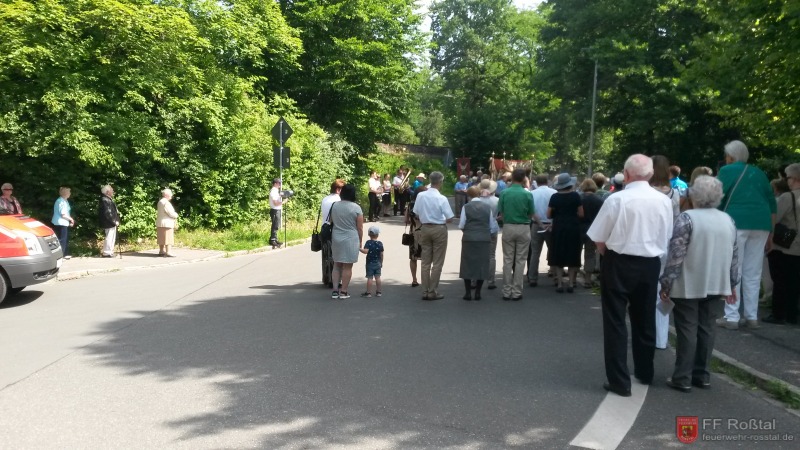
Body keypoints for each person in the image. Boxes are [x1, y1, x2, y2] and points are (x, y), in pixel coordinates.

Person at [587, 154, 674, 397]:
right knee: (645, 318)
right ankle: (645, 372)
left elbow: (599, 237)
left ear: (626, 174)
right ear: (650, 174)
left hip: (618, 261)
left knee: (615, 321)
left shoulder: (617, 199)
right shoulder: (663, 201)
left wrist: (608, 254)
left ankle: (619, 381)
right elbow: (667, 235)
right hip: (650, 263)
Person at [659, 175, 740, 392]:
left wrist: (666, 282)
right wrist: (732, 283)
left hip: (689, 282)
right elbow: (734, 254)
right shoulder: (728, 220)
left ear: (694, 195)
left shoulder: (686, 219)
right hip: (717, 281)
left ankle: (682, 376)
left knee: (687, 329)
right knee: (707, 328)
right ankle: (702, 375)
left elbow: (676, 255)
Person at [716, 140, 776, 330]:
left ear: (730, 157)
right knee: (753, 271)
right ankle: (751, 316)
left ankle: (732, 316)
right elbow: (771, 203)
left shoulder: (726, 171)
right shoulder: (759, 173)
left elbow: (718, 197)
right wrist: (771, 232)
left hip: (736, 222)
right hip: (761, 223)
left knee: (734, 269)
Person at [763, 163, 800, 324]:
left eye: (788, 177)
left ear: (795, 178)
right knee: (795, 282)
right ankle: (793, 314)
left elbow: (774, 217)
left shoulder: (787, 197)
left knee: (780, 281)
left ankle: (778, 314)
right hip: (798, 247)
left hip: (784, 245)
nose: (786, 180)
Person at [652, 155, 682, 349]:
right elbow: (677, 220)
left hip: (648, 243)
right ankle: (661, 338)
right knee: (662, 290)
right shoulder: (674, 193)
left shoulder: (646, 192)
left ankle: (646, 332)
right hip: (667, 243)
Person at [413, 171, 454, 300]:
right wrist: (440, 219)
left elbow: (416, 213)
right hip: (439, 228)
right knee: (437, 262)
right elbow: (450, 218)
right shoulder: (441, 198)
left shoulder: (421, 196)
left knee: (425, 261)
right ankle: (432, 291)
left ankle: (425, 290)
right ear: (440, 182)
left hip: (425, 227)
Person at [498, 168, 534, 301]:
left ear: (512, 178)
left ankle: (506, 290)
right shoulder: (527, 194)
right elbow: (531, 213)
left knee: (508, 259)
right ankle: (517, 291)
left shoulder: (504, 193)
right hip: (523, 227)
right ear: (524, 178)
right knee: (520, 260)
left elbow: (501, 212)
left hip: (508, 226)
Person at [459, 186, 498, 300]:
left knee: (467, 264)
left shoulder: (466, 207)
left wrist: (468, 231)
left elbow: (462, 224)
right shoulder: (487, 207)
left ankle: (468, 292)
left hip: (469, 238)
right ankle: (478, 293)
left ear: (469, 195)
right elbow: (491, 225)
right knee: (482, 264)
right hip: (484, 238)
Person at [547, 173, 584, 293]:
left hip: (559, 227)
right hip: (573, 227)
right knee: (572, 253)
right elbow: (581, 213)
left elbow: (548, 214)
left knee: (559, 253)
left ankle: (559, 283)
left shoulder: (554, 197)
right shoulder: (575, 196)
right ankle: (571, 283)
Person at [330, 184, 363, 299]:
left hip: (336, 237)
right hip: (351, 238)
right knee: (348, 266)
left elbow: (331, 221)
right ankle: (343, 292)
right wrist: (360, 241)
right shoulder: (356, 208)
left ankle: (335, 291)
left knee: (336, 265)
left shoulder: (334, 205)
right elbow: (360, 227)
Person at [528, 174, 555, 287]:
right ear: (547, 181)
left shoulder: (532, 193)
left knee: (535, 252)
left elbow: (530, 211)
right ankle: (555, 275)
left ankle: (532, 277)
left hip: (536, 224)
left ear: (536, 182)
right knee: (553, 250)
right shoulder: (553, 193)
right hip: (550, 225)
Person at [579, 179, 604, 288]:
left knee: (576, 252)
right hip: (593, 229)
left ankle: (573, 279)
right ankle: (588, 280)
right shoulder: (599, 200)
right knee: (590, 254)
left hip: (579, 229)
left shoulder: (579, 198)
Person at [320, 179, 345, 288]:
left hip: (324, 229)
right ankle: (335, 280)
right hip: (334, 229)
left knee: (326, 254)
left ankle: (326, 278)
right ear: (338, 189)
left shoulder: (325, 198)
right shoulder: (338, 199)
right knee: (336, 255)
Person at [479, 179, 500, 290]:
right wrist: (496, 218)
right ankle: (491, 280)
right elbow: (501, 213)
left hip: (479, 228)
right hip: (492, 228)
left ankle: (474, 279)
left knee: (478, 255)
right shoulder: (497, 200)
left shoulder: (477, 200)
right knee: (491, 255)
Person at [360, 226, 384, 298]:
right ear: (378, 234)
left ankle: (368, 292)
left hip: (370, 263)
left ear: (369, 234)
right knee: (378, 277)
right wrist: (381, 262)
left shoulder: (368, 242)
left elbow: (365, 251)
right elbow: (382, 254)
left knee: (370, 278)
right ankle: (379, 292)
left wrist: (359, 249)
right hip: (378, 263)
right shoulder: (380, 243)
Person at [52, 186, 75, 259]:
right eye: (69, 192)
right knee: (62, 240)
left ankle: (64, 254)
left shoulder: (64, 201)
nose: (70, 193)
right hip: (60, 223)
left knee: (64, 239)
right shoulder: (61, 201)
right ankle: (61, 255)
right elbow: (63, 214)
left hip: (62, 223)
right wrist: (71, 219)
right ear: (65, 193)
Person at [98, 185, 120, 258]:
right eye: (112, 190)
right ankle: (107, 252)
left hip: (109, 222)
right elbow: (108, 213)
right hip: (109, 222)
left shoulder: (107, 199)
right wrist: (114, 221)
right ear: (107, 192)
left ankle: (109, 251)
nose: (113, 191)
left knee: (111, 236)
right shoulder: (105, 200)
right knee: (110, 236)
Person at [156, 188, 178, 257]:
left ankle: (161, 251)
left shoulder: (160, 201)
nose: (171, 196)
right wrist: (176, 215)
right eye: (170, 194)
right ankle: (168, 252)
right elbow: (170, 213)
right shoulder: (166, 203)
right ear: (167, 195)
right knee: (168, 238)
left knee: (161, 238)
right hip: (167, 223)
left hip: (160, 222)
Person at [405, 203, 423, 287]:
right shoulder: (424, 203)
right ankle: (425, 279)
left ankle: (414, 280)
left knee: (413, 258)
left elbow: (406, 220)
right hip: (424, 232)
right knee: (425, 258)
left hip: (413, 232)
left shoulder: (410, 205)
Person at [269, 178, 288, 248]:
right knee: (275, 225)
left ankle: (275, 239)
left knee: (276, 225)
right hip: (275, 210)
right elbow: (275, 203)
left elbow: (277, 199)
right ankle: (272, 240)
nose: (280, 184)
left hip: (277, 210)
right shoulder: (273, 191)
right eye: (279, 183)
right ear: (275, 184)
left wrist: (280, 196)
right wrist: (283, 202)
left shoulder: (276, 191)